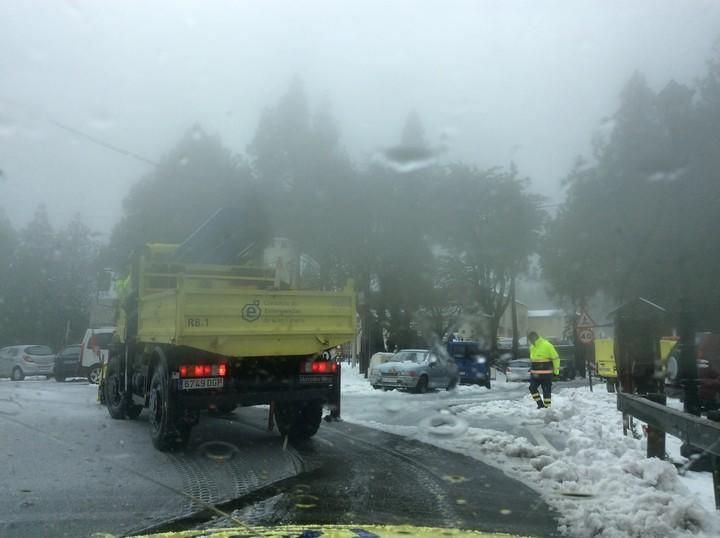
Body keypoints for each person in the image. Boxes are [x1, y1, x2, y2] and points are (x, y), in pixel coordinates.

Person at [528, 331, 560, 409]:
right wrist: (531, 368)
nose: (530, 341)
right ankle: (540, 405)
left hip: (546, 375)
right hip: (535, 375)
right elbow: (534, 360)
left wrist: (556, 372)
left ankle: (547, 408)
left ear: (535, 337)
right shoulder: (532, 347)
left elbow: (556, 359)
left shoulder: (547, 345)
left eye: (531, 339)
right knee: (532, 388)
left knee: (546, 392)